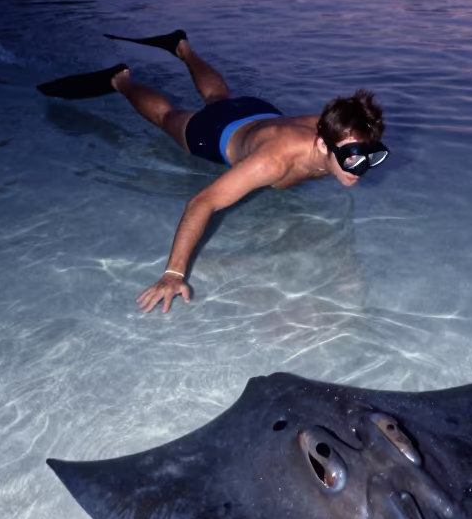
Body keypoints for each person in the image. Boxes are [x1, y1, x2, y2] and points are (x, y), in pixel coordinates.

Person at [38, 29, 388, 312]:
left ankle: (181, 47)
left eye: (371, 156)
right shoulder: (272, 163)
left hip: (259, 111)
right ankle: (120, 81)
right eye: (352, 157)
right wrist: (173, 273)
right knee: (167, 118)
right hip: (216, 132)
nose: (360, 168)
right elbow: (202, 203)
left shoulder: (340, 133)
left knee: (220, 96)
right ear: (324, 146)